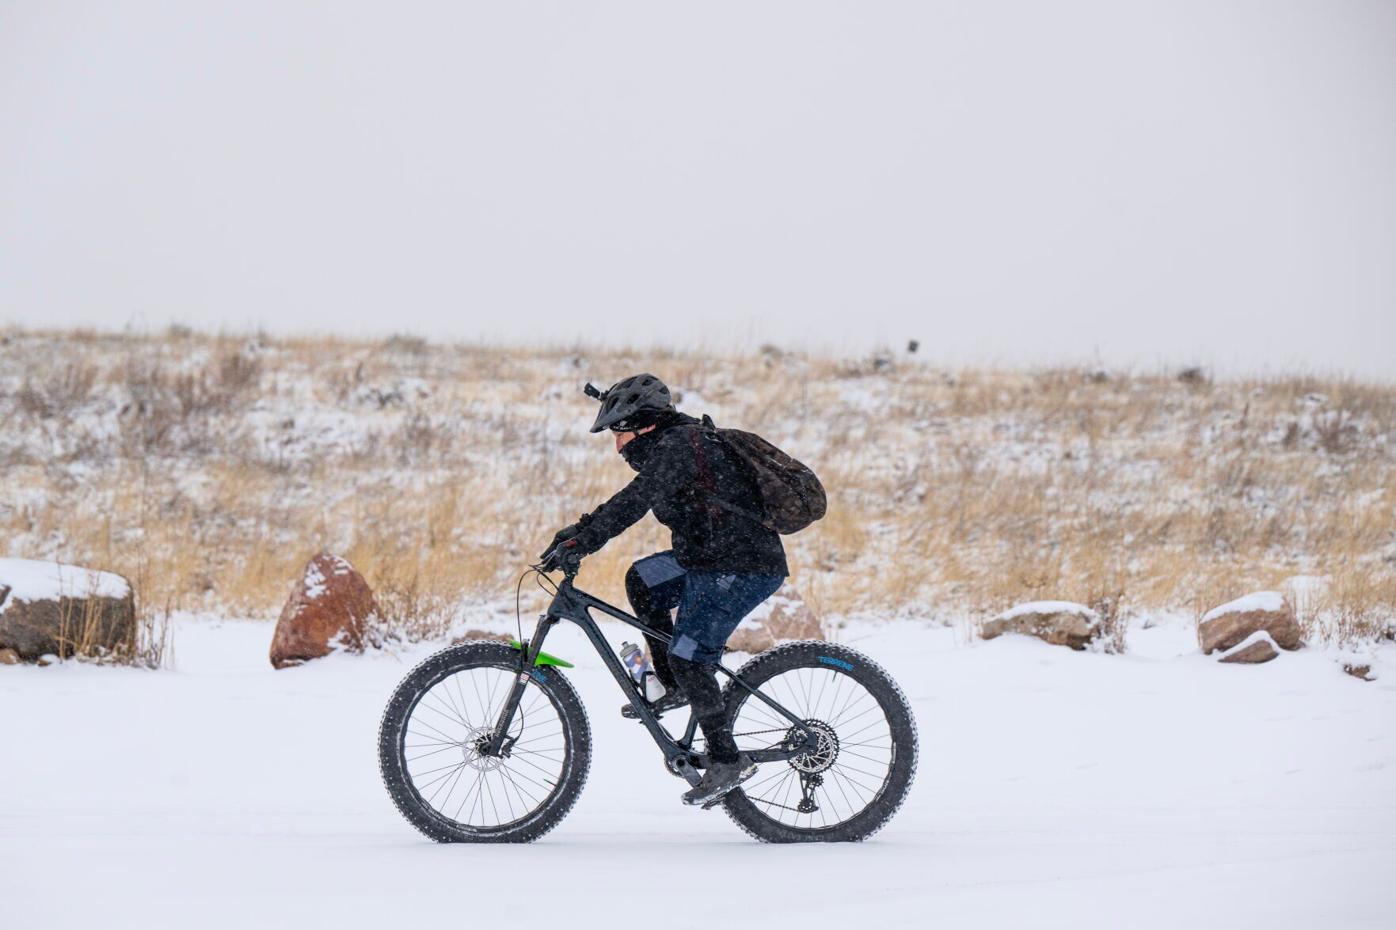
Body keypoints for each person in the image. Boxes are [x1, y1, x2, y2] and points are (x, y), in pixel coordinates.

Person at [540, 373, 788, 808]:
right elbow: (633, 496)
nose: (618, 447)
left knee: (690, 654)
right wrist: (579, 530)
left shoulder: (680, 446)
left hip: (742, 565)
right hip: (709, 558)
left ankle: (726, 760)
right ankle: (675, 686)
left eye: (621, 433)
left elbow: (634, 501)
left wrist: (584, 539)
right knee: (644, 580)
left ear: (647, 424)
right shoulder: (674, 443)